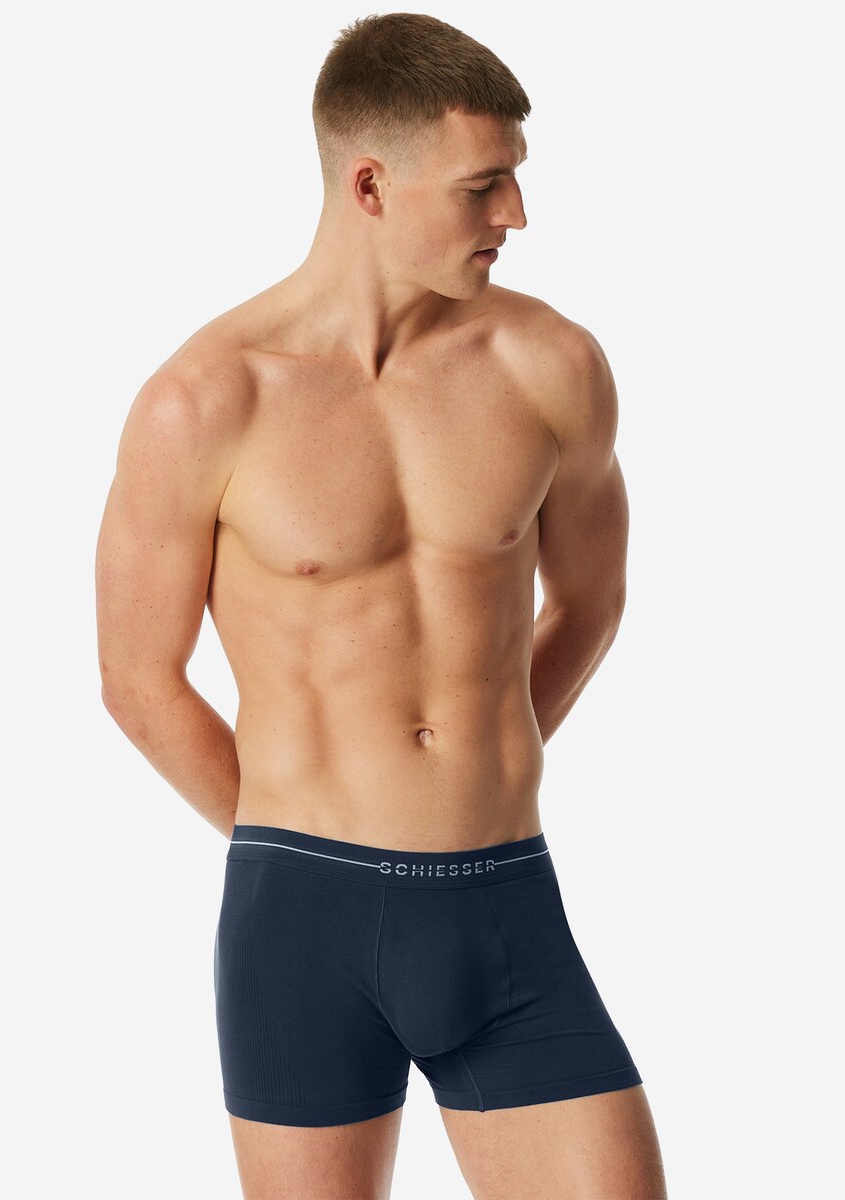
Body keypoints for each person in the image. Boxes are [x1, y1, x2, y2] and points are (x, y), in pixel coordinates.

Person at [95, 12, 667, 1199]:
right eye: (483, 186)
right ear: (369, 184)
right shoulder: (205, 402)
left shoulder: (551, 367)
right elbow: (138, 680)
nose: (517, 215)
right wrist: (294, 837)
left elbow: (592, 596)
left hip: (506, 903)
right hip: (300, 926)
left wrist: (479, 757)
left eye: (515, 178)